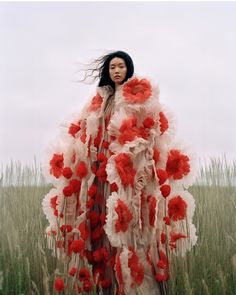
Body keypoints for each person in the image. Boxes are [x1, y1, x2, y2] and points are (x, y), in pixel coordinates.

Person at [42, 50, 197, 295]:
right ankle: (107, 284)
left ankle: (132, 285)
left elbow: (150, 129)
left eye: (121, 66)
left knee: (129, 226)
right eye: (112, 67)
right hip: (102, 174)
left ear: (128, 69)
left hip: (126, 176)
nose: (116, 71)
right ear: (107, 71)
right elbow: (86, 132)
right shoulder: (100, 101)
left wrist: (132, 152)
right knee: (102, 224)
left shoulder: (137, 97)